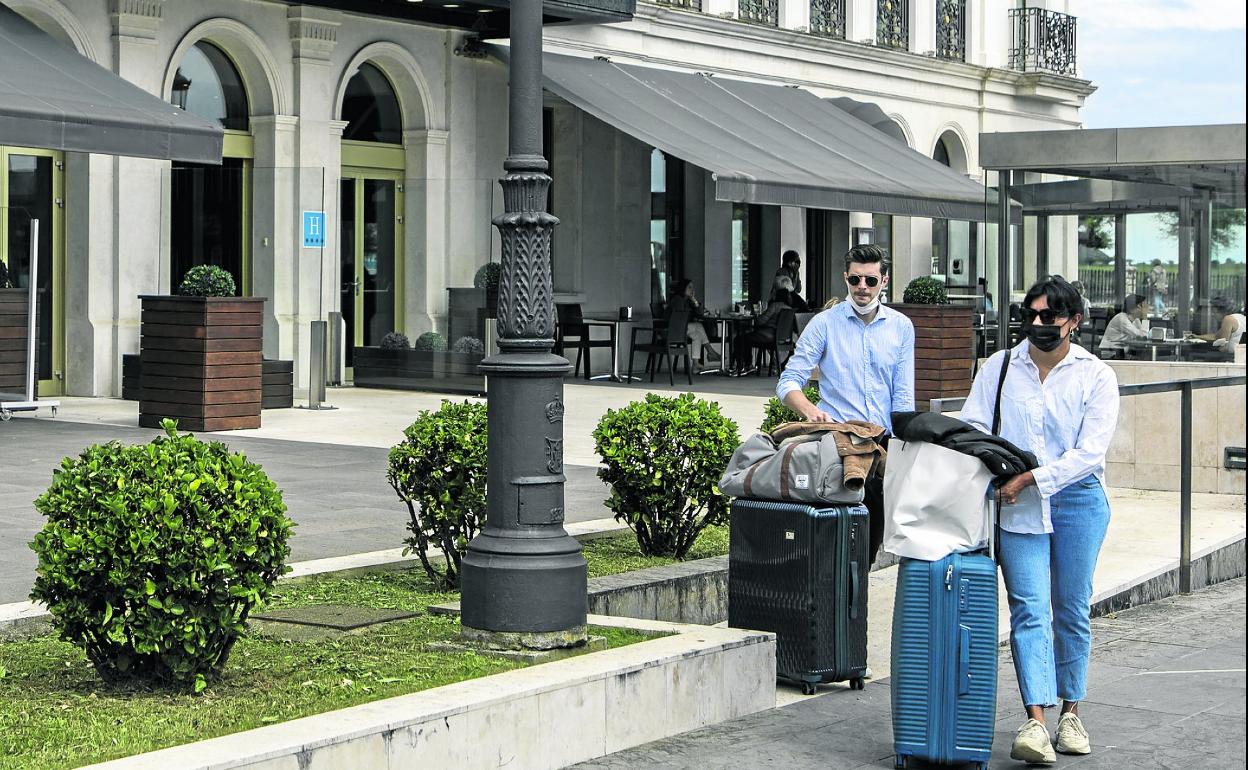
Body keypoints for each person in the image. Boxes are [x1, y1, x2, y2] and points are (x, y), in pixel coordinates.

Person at [959, 275, 1119, 765]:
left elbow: (1090, 453)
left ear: (1073, 321)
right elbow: (972, 425)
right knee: (1029, 609)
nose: (1037, 324)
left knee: (1071, 608)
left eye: (1049, 316)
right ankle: (1036, 722)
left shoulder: (1096, 376)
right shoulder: (1000, 366)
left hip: (1078, 500)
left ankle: (1072, 712)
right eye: (1029, 315)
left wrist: (1030, 480)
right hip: (1016, 504)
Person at [776, 244, 915, 567]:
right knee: (831, 544)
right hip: (835, 445)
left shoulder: (901, 327)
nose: (862, 288)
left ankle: (853, 613)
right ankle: (828, 611)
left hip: (880, 447)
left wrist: (904, 449)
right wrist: (810, 411)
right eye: (855, 280)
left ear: (884, 280)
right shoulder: (824, 324)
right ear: (845, 279)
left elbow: (904, 396)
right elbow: (788, 382)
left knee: (867, 548)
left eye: (870, 280)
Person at [732, 288, 793, 374]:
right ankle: (747, 366)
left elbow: (760, 321)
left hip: (767, 335)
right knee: (746, 338)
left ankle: (744, 366)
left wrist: (757, 317)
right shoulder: (790, 309)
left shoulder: (775, 306)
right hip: (782, 338)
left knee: (739, 339)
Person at [667, 279, 717, 366]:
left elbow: (700, 313)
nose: (692, 290)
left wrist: (694, 300)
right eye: (689, 287)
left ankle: (696, 363)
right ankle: (710, 351)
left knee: (697, 335)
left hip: (683, 328)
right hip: (673, 329)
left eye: (693, 287)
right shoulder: (678, 299)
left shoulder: (687, 300)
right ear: (683, 288)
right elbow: (681, 317)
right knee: (698, 326)